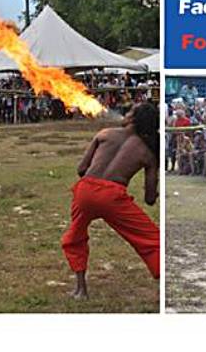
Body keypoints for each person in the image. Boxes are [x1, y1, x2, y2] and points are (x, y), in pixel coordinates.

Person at [61, 102, 160, 299]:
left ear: (133, 118)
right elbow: (149, 199)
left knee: (75, 237)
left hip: (86, 190)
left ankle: (81, 290)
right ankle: (164, 288)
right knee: (152, 240)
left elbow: (81, 170)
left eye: (130, 111)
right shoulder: (149, 151)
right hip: (113, 196)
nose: (125, 113)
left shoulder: (105, 134)